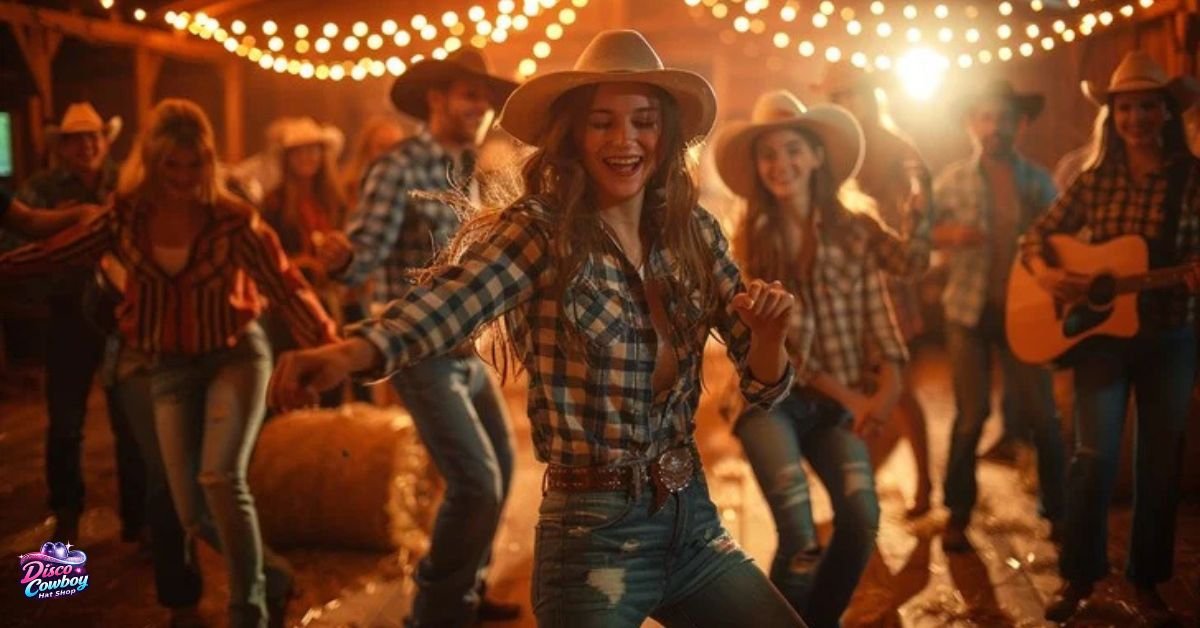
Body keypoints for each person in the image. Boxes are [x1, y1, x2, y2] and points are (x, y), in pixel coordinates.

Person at [277, 29, 806, 628]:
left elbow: (765, 387)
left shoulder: (696, 232)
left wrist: (767, 337)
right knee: (478, 480)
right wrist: (353, 351)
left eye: (643, 121)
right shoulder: (541, 231)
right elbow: (452, 299)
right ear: (574, 136)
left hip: (694, 525)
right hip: (592, 539)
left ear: (667, 134)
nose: (624, 140)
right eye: (602, 122)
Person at [0, 98, 339, 628]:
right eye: (170, 165)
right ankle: (273, 577)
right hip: (168, 366)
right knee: (188, 509)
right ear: (151, 161)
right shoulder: (127, 214)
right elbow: (55, 252)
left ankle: (246, 610)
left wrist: (330, 351)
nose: (183, 177)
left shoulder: (234, 221)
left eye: (194, 164)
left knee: (221, 477)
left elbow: (287, 289)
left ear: (208, 160)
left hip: (234, 354)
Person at [315, 48, 523, 626]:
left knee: (502, 467)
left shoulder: (470, 169)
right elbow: (365, 256)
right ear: (436, 99)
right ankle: (435, 612)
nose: (481, 107)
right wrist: (342, 259)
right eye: (470, 95)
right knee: (475, 482)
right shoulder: (398, 167)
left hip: (466, 348)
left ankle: (468, 591)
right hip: (418, 350)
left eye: (486, 97)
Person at [1022, 51, 1200, 624]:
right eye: (1127, 108)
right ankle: (1079, 576)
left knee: (1159, 461)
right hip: (1102, 338)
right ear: (1113, 115)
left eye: (1149, 106)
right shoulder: (1095, 180)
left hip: (1170, 333)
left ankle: (1146, 583)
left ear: (1167, 113)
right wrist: (1051, 275)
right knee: (1092, 456)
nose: (1138, 118)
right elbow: (1037, 239)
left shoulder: (1192, 179)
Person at [715, 90, 904, 627]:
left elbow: (881, 324)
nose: (781, 164)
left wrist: (885, 397)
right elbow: (785, 353)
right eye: (767, 154)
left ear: (818, 156)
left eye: (792, 149)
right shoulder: (749, 238)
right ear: (756, 168)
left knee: (862, 518)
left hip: (836, 408)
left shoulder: (855, 231)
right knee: (800, 538)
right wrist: (857, 399)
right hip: (770, 402)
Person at [932, 79, 1066, 553]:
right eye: (986, 118)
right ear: (972, 124)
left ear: (1020, 125)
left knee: (1043, 416)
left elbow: (1063, 241)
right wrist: (948, 234)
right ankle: (957, 515)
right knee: (972, 416)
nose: (995, 127)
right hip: (967, 310)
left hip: (1025, 312)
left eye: (1004, 118)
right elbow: (925, 236)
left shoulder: (1039, 181)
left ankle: (1059, 512)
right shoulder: (950, 180)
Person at [12, 102, 146, 543]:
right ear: (63, 147)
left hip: (122, 315)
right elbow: (16, 235)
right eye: (76, 139)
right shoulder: (42, 188)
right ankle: (66, 511)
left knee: (129, 418)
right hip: (68, 312)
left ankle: (138, 517)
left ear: (105, 141)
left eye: (93, 137)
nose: (86, 145)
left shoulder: (127, 181)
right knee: (66, 419)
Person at [813, 64, 935, 518]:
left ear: (869, 97)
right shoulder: (826, 146)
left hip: (886, 280)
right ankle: (861, 487)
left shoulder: (897, 150)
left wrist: (910, 225)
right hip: (842, 288)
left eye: (852, 95)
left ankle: (924, 482)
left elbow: (915, 221)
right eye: (837, 96)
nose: (847, 104)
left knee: (898, 388)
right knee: (850, 386)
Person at [261, 117, 349, 407]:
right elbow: (264, 257)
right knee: (294, 381)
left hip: (328, 299)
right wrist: (299, 263)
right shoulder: (273, 203)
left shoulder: (333, 200)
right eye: (300, 151)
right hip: (289, 305)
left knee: (330, 375)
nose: (308, 157)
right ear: (288, 158)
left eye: (314, 150)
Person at [340, 115, 409, 206]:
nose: (390, 154)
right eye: (382, 147)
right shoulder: (348, 191)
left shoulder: (405, 191)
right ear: (367, 150)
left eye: (395, 148)